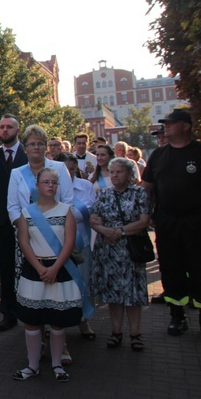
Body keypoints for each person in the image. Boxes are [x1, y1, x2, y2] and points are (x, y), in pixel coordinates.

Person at [7, 125, 74, 364]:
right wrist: (25, 225)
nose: (36, 147)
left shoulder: (58, 169)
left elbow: (68, 201)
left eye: (40, 143)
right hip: (28, 240)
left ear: (46, 146)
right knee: (34, 292)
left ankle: (61, 344)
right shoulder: (17, 173)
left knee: (56, 293)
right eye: (32, 143)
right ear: (25, 148)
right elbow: (12, 206)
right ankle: (39, 339)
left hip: (56, 238)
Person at [12, 168, 82, 383]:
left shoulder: (66, 210)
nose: (50, 186)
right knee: (32, 321)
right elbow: (24, 242)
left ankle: (57, 364)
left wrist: (54, 268)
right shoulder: (26, 212)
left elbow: (69, 242)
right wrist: (40, 267)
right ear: (38, 185)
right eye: (46, 182)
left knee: (57, 321)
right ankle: (32, 366)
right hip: (34, 270)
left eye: (54, 182)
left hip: (59, 270)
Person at [142, 109, 201, 335]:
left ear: (186, 126)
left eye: (171, 123)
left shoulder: (198, 151)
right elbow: (146, 188)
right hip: (167, 221)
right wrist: (142, 213)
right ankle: (177, 315)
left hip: (196, 221)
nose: (166, 126)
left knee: (198, 267)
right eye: (165, 123)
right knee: (171, 268)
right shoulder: (158, 155)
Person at [90, 157, 150, 350]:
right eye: (112, 172)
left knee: (133, 294)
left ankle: (135, 333)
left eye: (119, 172)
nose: (115, 176)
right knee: (113, 293)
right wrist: (106, 231)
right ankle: (116, 332)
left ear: (129, 174)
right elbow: (94, 217)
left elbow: (143, 221)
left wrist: (119, 231)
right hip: (108, 251)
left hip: (130, 251)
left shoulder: (139, 193)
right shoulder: (105, 194)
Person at [0, 114, 28, 332]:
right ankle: (8, 314)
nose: (5, 130)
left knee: (28, 267)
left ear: (17, 130)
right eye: (2, 127)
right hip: (1, 221)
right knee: (5, 269)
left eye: (9, 127)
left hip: (26, 220)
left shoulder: (27, 154)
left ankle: (30, 312)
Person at [55, 152, 97, 340]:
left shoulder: (86, 186)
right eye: (64, 169)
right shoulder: (50, 188)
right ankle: (56, 324)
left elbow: (92, 211)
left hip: (82, 243)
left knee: (83, 283)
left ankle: (83, 320)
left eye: (71, 169)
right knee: (59, 286)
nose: (68, 173)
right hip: (56, 244)